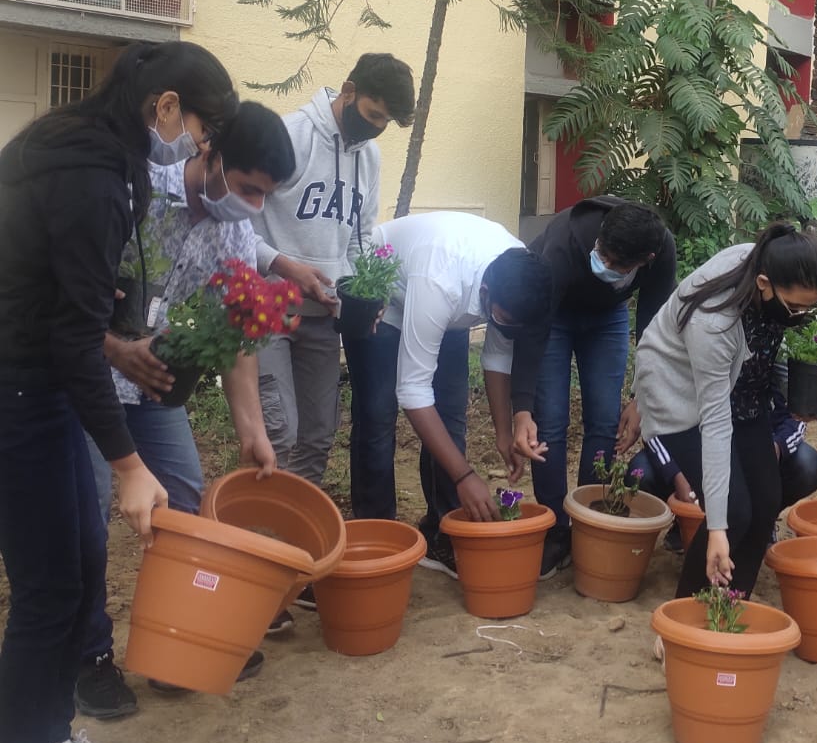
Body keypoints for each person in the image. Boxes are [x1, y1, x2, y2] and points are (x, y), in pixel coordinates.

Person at [0, 41, 236, 743]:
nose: (198, 149)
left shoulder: (91, 149)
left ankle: (41, 742)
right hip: (18, 388)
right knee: (46, 588)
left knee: (77, 566)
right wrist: (130, 465)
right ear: (165, 107)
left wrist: (117, 336)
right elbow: (64, 330)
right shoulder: (90, 171)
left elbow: (63, 302)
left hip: (44, 380)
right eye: (201, 130)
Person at [76, 102, 297, 717]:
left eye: (265, 197)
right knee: (87, 524)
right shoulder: (130, 196)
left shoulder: (230, 232)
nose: (253, 206)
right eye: (249, 188)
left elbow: (233, 338)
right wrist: (115, 350)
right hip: (89, 382)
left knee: (187, 509)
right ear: (212, 155)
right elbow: (61, 304)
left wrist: (252, 430)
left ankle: (177, 645)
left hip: (154, 390)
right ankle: (89, 660)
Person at [343, 212, 553, 576]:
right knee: (378, 415)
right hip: (386, 291)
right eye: (502, 319)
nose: (506, 327)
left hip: (449, 306)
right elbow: (412, 390)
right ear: (486, 295)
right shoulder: (441, 281)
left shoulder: (519, 275)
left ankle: (441, 528)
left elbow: (498, 355)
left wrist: (504, 435)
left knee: (452, 412)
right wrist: (465, 476)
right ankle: (377, 532)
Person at [632, 224, 817, 597]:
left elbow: (769, 358)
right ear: (763, 283)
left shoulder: (768, 257)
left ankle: (729, 606)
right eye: (796, 306)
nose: (802, 314)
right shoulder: (713, 322)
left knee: (765, 503)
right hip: (681, 398)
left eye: (812, 305)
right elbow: (714, 422)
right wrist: (718, 531)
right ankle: (685, 618)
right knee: (736, 511)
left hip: (744, 391)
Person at [251, 53, 414, 493]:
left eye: (386, 122)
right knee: (277, 430)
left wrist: (366, 292)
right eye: (373, 115)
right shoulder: (290, 137)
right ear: (348, 91)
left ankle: (292, 525)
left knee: (319, 434)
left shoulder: (370, 157)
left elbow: (361, 236)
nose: (377, 127)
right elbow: (235, 226)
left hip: (324, 314)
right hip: (267, 307)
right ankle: (257, 529)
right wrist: (286, 268)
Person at [508, 197, 676, 577]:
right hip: (555, 315)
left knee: (604, 420)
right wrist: (521, 409)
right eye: (602, 255)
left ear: (645, 259)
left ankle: (588, 520)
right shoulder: (565, 243)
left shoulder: (661, 249)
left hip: (607, 319)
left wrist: (640, 397)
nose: (606, 265)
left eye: (618, 265)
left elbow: (653, 327)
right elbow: (533, 331)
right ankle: (555, 529)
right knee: (549, 421)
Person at [633, 389, 817, 540]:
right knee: (640, 472)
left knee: (808, 465)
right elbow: (653, 421)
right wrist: (677, 474)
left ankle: (762, 522)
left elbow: (796, 416)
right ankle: (683, 525)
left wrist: (774, 449)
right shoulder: (685, 349)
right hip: (690, 451)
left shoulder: (771, 350)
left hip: (751, 448)